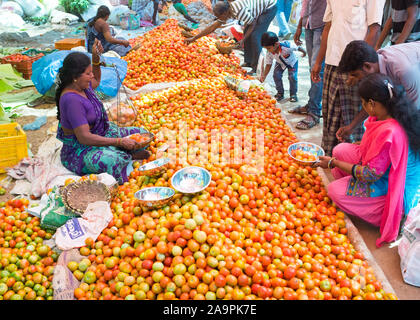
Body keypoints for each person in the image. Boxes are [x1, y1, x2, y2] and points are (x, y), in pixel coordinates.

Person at [315, 73, 420, 247]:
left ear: (371, 103)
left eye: (363, 103)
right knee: (340, 150)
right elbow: (374, 148)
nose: (362, 107)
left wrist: (333, 162)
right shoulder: (387, 113)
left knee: (335, 191)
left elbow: (370, 174)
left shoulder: (390, 131)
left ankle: (389, 212)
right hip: (385, 169)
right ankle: (355, 191)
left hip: (395, 186)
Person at [55, 41, 151, 185]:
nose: (91, 76)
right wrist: (119, 141)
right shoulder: (71, 100)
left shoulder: (83, 86)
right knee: (111, 160)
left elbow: (97, 80)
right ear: (75, 76)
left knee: (142, 134)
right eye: (88, 74)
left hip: (101, 133)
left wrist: (95, 58)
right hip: (80, 148)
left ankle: (123, 152)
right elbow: (84, 138)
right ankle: (125, 155)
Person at [311, 0, 386, 156]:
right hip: (332, 62)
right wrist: (319, 61)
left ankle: (353, 159)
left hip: (356, 65)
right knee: (330, 113)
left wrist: (358, 69)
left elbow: (375, 28)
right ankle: (331, 156)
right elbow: (328, 27)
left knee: (352, 116)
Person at [336, 40, 420, 141]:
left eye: (355, 75)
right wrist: (352, 127)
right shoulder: (376, 63)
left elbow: (413, 113)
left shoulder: (404, 71)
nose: (355, 79)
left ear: (367, 66)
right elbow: (371, 105)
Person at [185, 0, 279, 75]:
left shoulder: (239, 11)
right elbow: (212, 27)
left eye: (220, 16)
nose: (220, 19)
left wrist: (243, 40)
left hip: (269, 8)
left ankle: (256, 68)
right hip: (254, 11)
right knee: (247, 32)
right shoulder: (228, 11)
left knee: (255, 36)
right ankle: (248, 61)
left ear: (225, 12)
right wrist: (193, 38)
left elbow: (253, 23)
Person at [290, 0, 327, 130]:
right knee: (314, 69)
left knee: (317, 69)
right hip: (309, 25)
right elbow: (305, 4)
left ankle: (315, 112)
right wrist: (300, 26)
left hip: (322, 26)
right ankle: (312, 104)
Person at [259, 31, 306, 103]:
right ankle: (280, 93)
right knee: (276, 75)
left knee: (292, 77)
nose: (268, 50)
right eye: (266, 49)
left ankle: (293, 94)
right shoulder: (269, 53)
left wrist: (304, 52)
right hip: (280, 63)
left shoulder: (286, 46)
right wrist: (264, 75)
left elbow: (297, 47)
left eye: (268, 48)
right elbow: (268, 65)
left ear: (276, 44)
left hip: (292, 62)